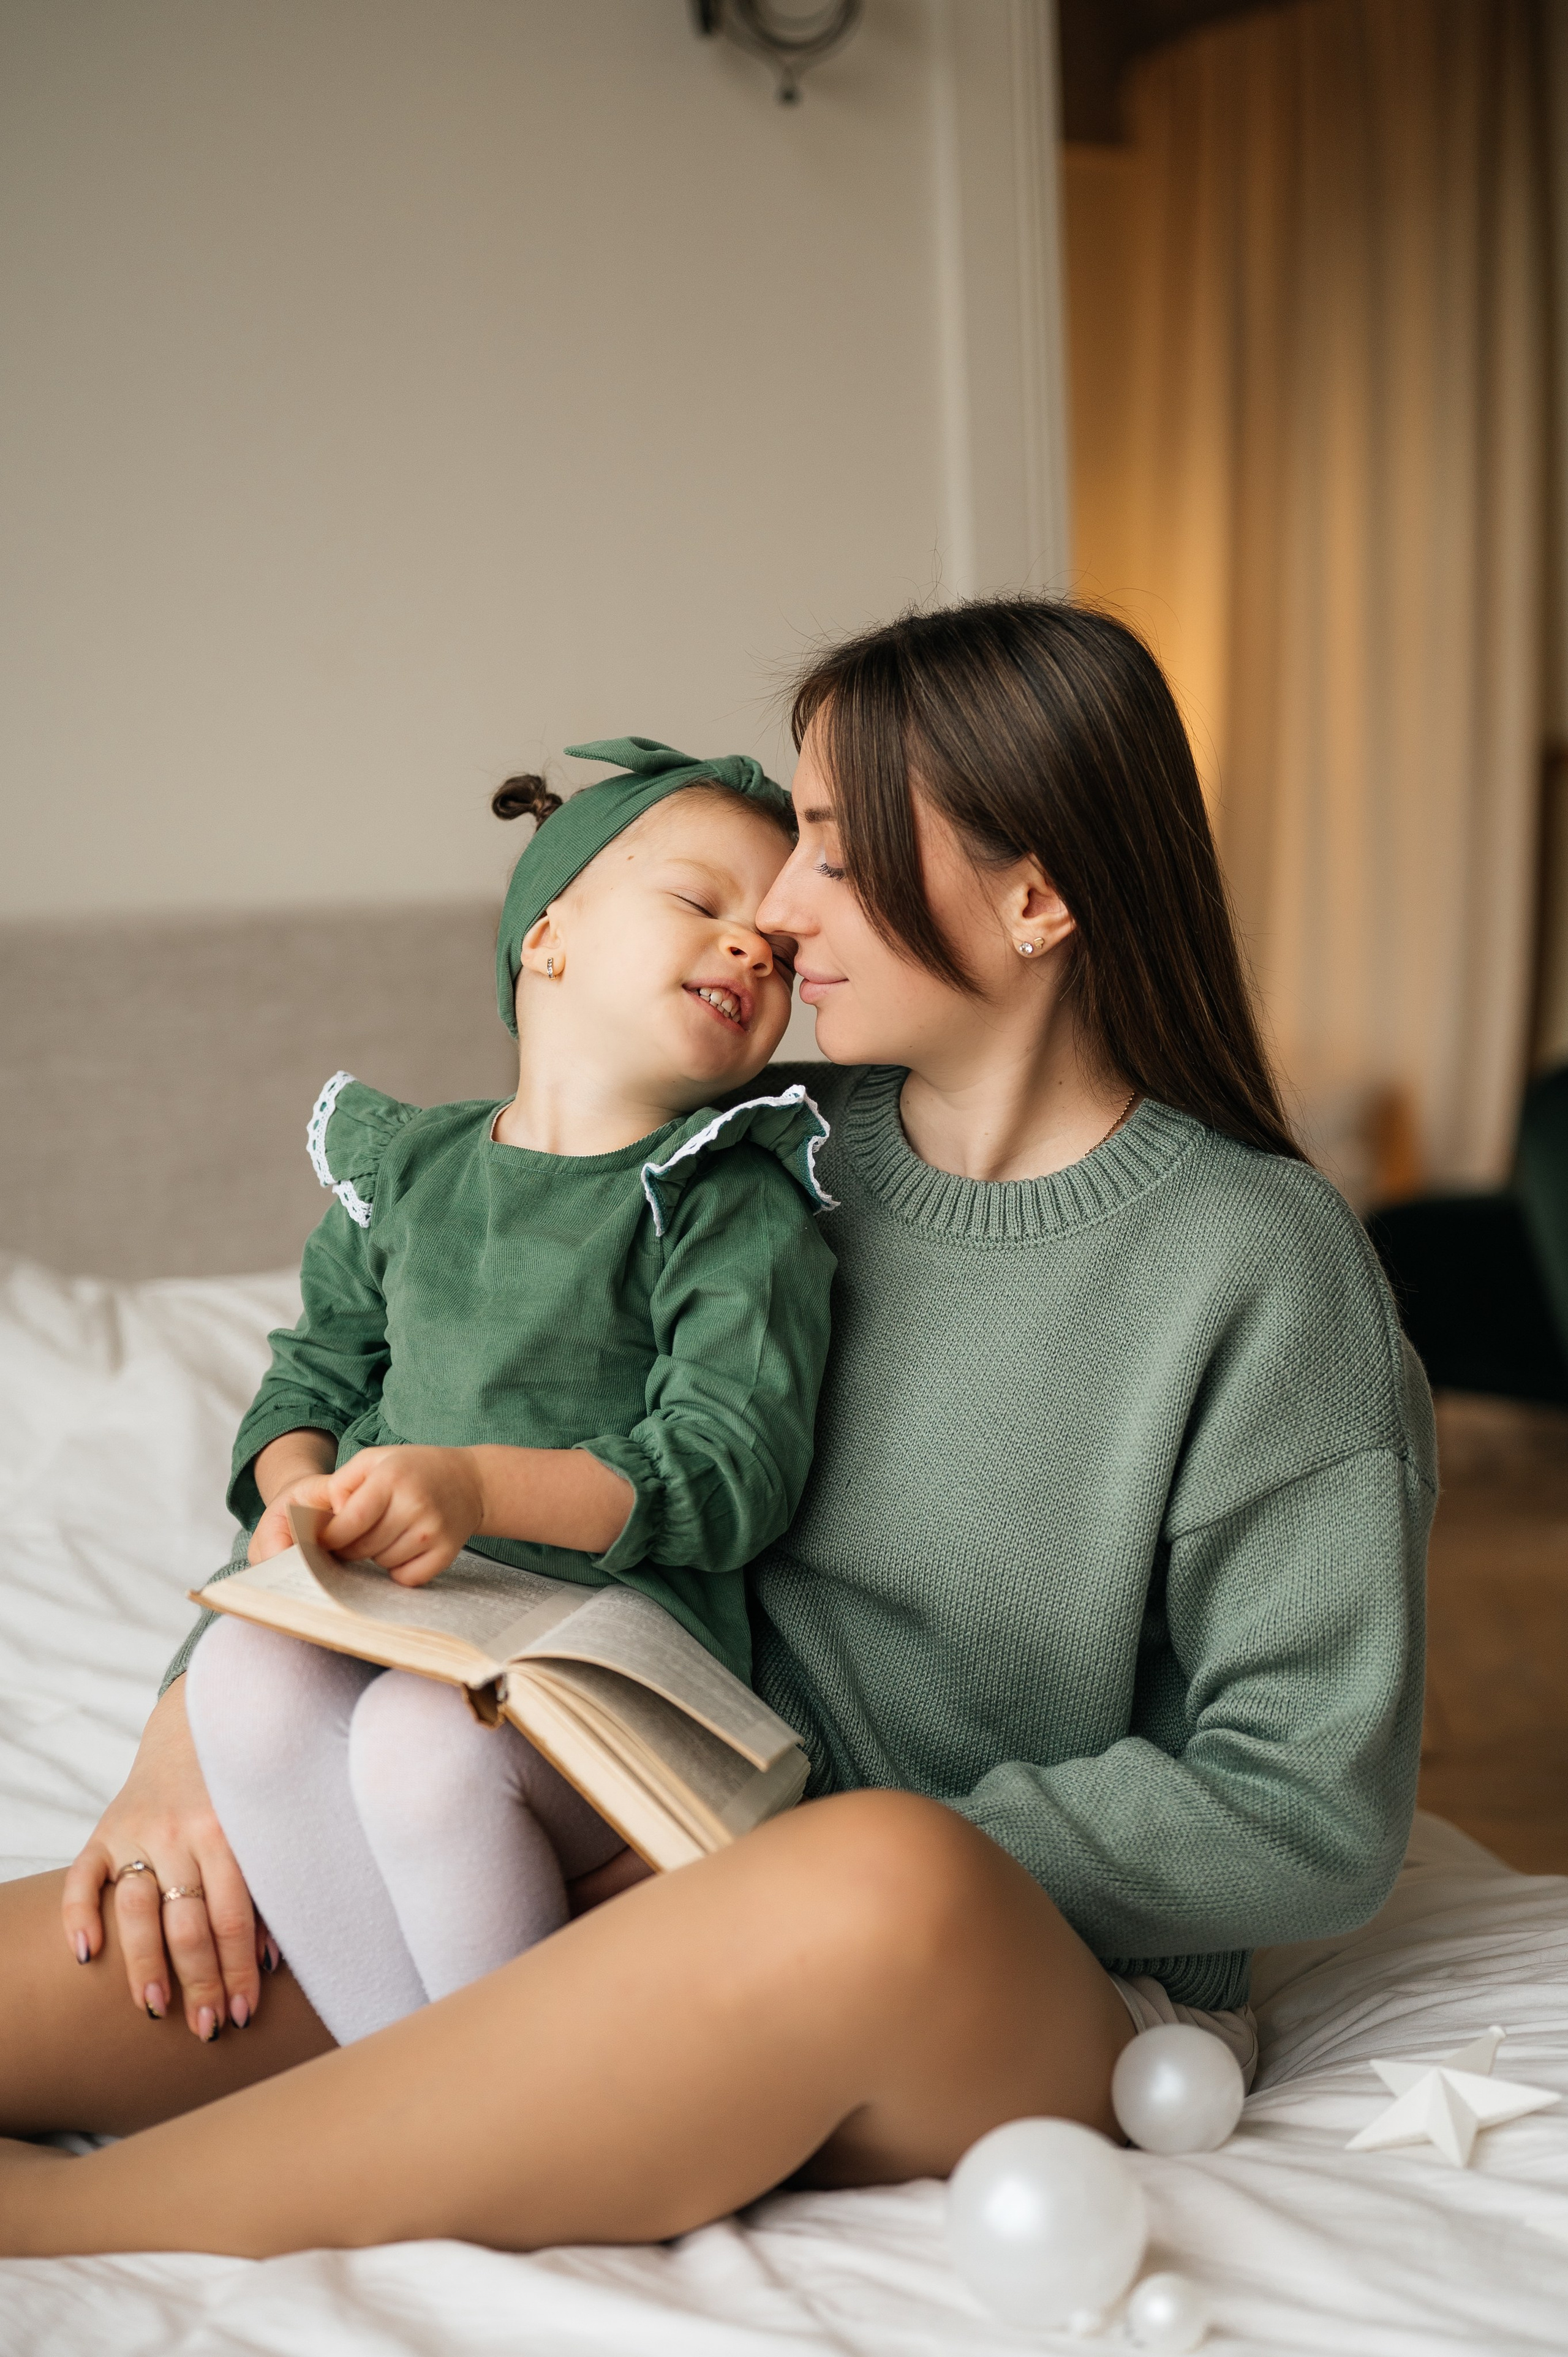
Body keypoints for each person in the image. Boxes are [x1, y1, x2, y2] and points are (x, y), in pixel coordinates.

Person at [0, 598, 1433, 2260]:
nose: (778, 903)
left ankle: (66, 2231)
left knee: (881, 1877)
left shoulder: (1258, 1265)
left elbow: (1306, 1812)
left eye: (831, 845)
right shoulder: (732, 1153)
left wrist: (767, 1851)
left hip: (982, 1956)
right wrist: (189, 1736)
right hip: (599, 1834)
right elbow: (425, 1409)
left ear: (1037, 897)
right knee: (90, 1952)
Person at [110, 735, 837, 2048]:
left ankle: (518, 2097)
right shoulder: (411, 1172)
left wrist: (471, 1484)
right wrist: (297, 1498)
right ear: (547, 935)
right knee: (244, 1679)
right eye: (702, 904)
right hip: (416, 1621)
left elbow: (732, 1468)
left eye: (778, 955)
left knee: (416, 1743)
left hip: (611, 1648)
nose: (750, 952)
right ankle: (419, 2086)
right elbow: (311, 1379)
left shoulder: (725, 1195)